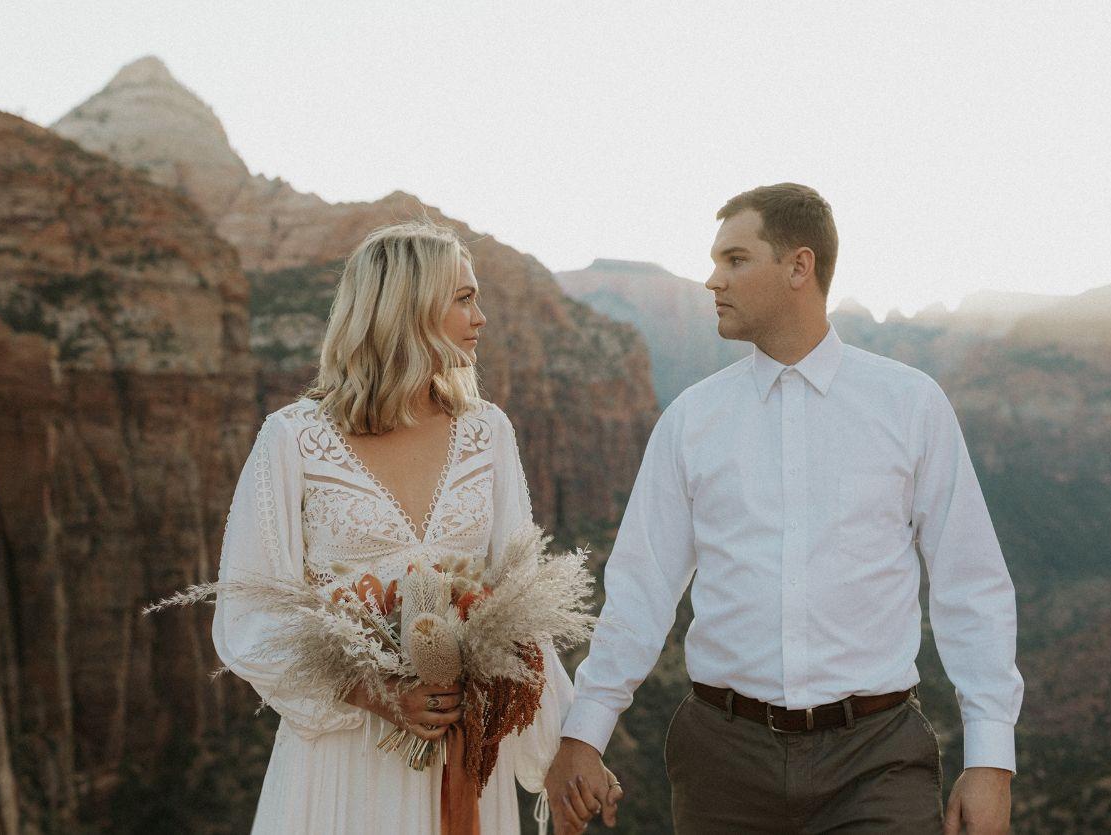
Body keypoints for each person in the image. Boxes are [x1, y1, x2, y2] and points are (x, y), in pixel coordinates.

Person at [544, 183, 1024, 834]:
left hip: (877, 760)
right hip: (722, 762)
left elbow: (971, 582)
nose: (713, 280)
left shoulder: (911, 405)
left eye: (736, 259)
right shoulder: (691, 420)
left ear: (800, 266)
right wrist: (585, 731)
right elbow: (640, 590)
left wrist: (991, 758)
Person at [212, 221, 601, 833]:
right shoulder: (292, 440)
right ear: (408, 308)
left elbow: (523, 611)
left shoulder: (488, 433)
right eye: (464, 299)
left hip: (467, 759)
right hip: (342, 764)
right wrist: (376, 693)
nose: (481, 317)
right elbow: (247, 616)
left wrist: (562, 754)